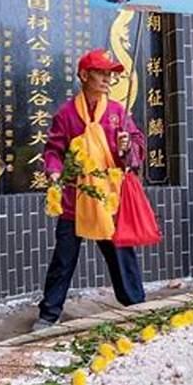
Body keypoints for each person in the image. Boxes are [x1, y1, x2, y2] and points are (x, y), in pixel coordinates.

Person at [33, 48, 146, 331]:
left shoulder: (118, 112)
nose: (108, 78)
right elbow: (54, 150)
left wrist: (126, 147)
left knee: (122, 254)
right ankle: (49, 313)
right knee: (64, 258)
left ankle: (137, 304)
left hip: (108, 196)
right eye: (102, 72)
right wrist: (55, 172)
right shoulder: (67, 114)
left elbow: (136, 146)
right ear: (84, 75)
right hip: (76, 196)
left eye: (111, 73)